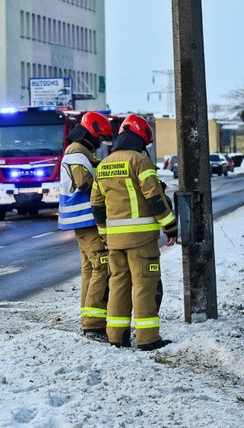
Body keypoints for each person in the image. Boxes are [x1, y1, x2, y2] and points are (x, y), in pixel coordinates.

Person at [90, 114, 177, 351]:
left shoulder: (103, 165)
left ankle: (116, 336)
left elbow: (97, 206)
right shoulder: (139, 162)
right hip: (142, 241)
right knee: (144, 286)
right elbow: (155, 198)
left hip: (115, 242)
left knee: (118, 285)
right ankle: (147, 339)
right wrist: (170, 226)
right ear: (140, 139)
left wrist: (104, 235)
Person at [58, 111, 114, 341]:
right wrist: (107, 193)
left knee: (90, 268)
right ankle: (93, 325)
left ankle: (88, 317)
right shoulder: (76, 153)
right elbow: (84, 182)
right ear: (91, 134)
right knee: (101, 266)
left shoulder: (80, 153)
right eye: (99, 139)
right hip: (85, 217)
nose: (99, 144)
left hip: (82, 219)